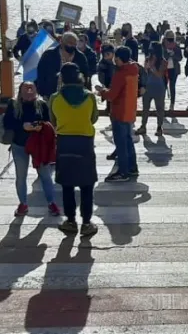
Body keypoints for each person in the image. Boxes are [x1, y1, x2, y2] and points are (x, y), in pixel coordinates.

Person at [51, 64, 100, 236]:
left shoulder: (55, 98)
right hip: (85, 143)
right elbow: (94, 118)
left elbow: (53, 120)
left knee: (67, 184)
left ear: (62, 78)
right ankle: (86, 223)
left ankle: (70, 221)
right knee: (87, 185)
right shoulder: (90, 96)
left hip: (64, 142)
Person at [5, 82, 58, 216]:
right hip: (19, 144)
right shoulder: (13, 104)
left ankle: (51, 203)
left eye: (31, 88)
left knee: (45, 175)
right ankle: (23, 204)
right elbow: (7, 123)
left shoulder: (42, 104)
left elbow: (48, 122)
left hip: (38, 145)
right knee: (21, 176)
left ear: (36, 91)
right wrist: (22, 126)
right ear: (20, 91)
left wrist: (41, 126)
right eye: (26, 89)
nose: (29, 91)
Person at [97, 47, 139, 182]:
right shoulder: (133, 69)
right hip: (130, 110)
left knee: (121, 143)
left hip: (120, 111)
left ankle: (123, 172)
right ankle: (132, 167)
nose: (114, 60)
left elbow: (112, 95)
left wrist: (102, 91)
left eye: (116, 58)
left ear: (120, 58)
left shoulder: (120, 74)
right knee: (128, 141)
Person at [37, 32, 89, 100]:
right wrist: (43, 93)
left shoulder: (81, 57)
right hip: (51, 95)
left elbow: (85, 76)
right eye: (70, 43)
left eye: (74, 44)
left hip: (74, 97)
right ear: (61, 42)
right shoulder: (49, 55)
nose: (72, 45)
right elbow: (41, 74)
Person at [138, 41, 167, 136]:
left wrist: (151, 67)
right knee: (145, 108)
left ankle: (159, 127)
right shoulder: (147, 59)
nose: (150, 50)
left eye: (152, 48)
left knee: (159, 108)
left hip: (159, 87)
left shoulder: (163, 61)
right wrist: (145, 69)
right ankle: (143, 126)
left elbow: (159, 74)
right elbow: (144, 73)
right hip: (148, 86)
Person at [163, 32, 183, 111]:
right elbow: (160, 56)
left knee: (172, 86)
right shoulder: (162, 46)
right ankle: (162, 102)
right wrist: (168, 55)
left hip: (174, 69)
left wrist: (174, 55)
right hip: (164, 69)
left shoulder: (176, 46)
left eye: (172, 37)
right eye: (168, 37)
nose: (170, 39)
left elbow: (180, 58)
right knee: (163, 86)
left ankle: (172, 104)